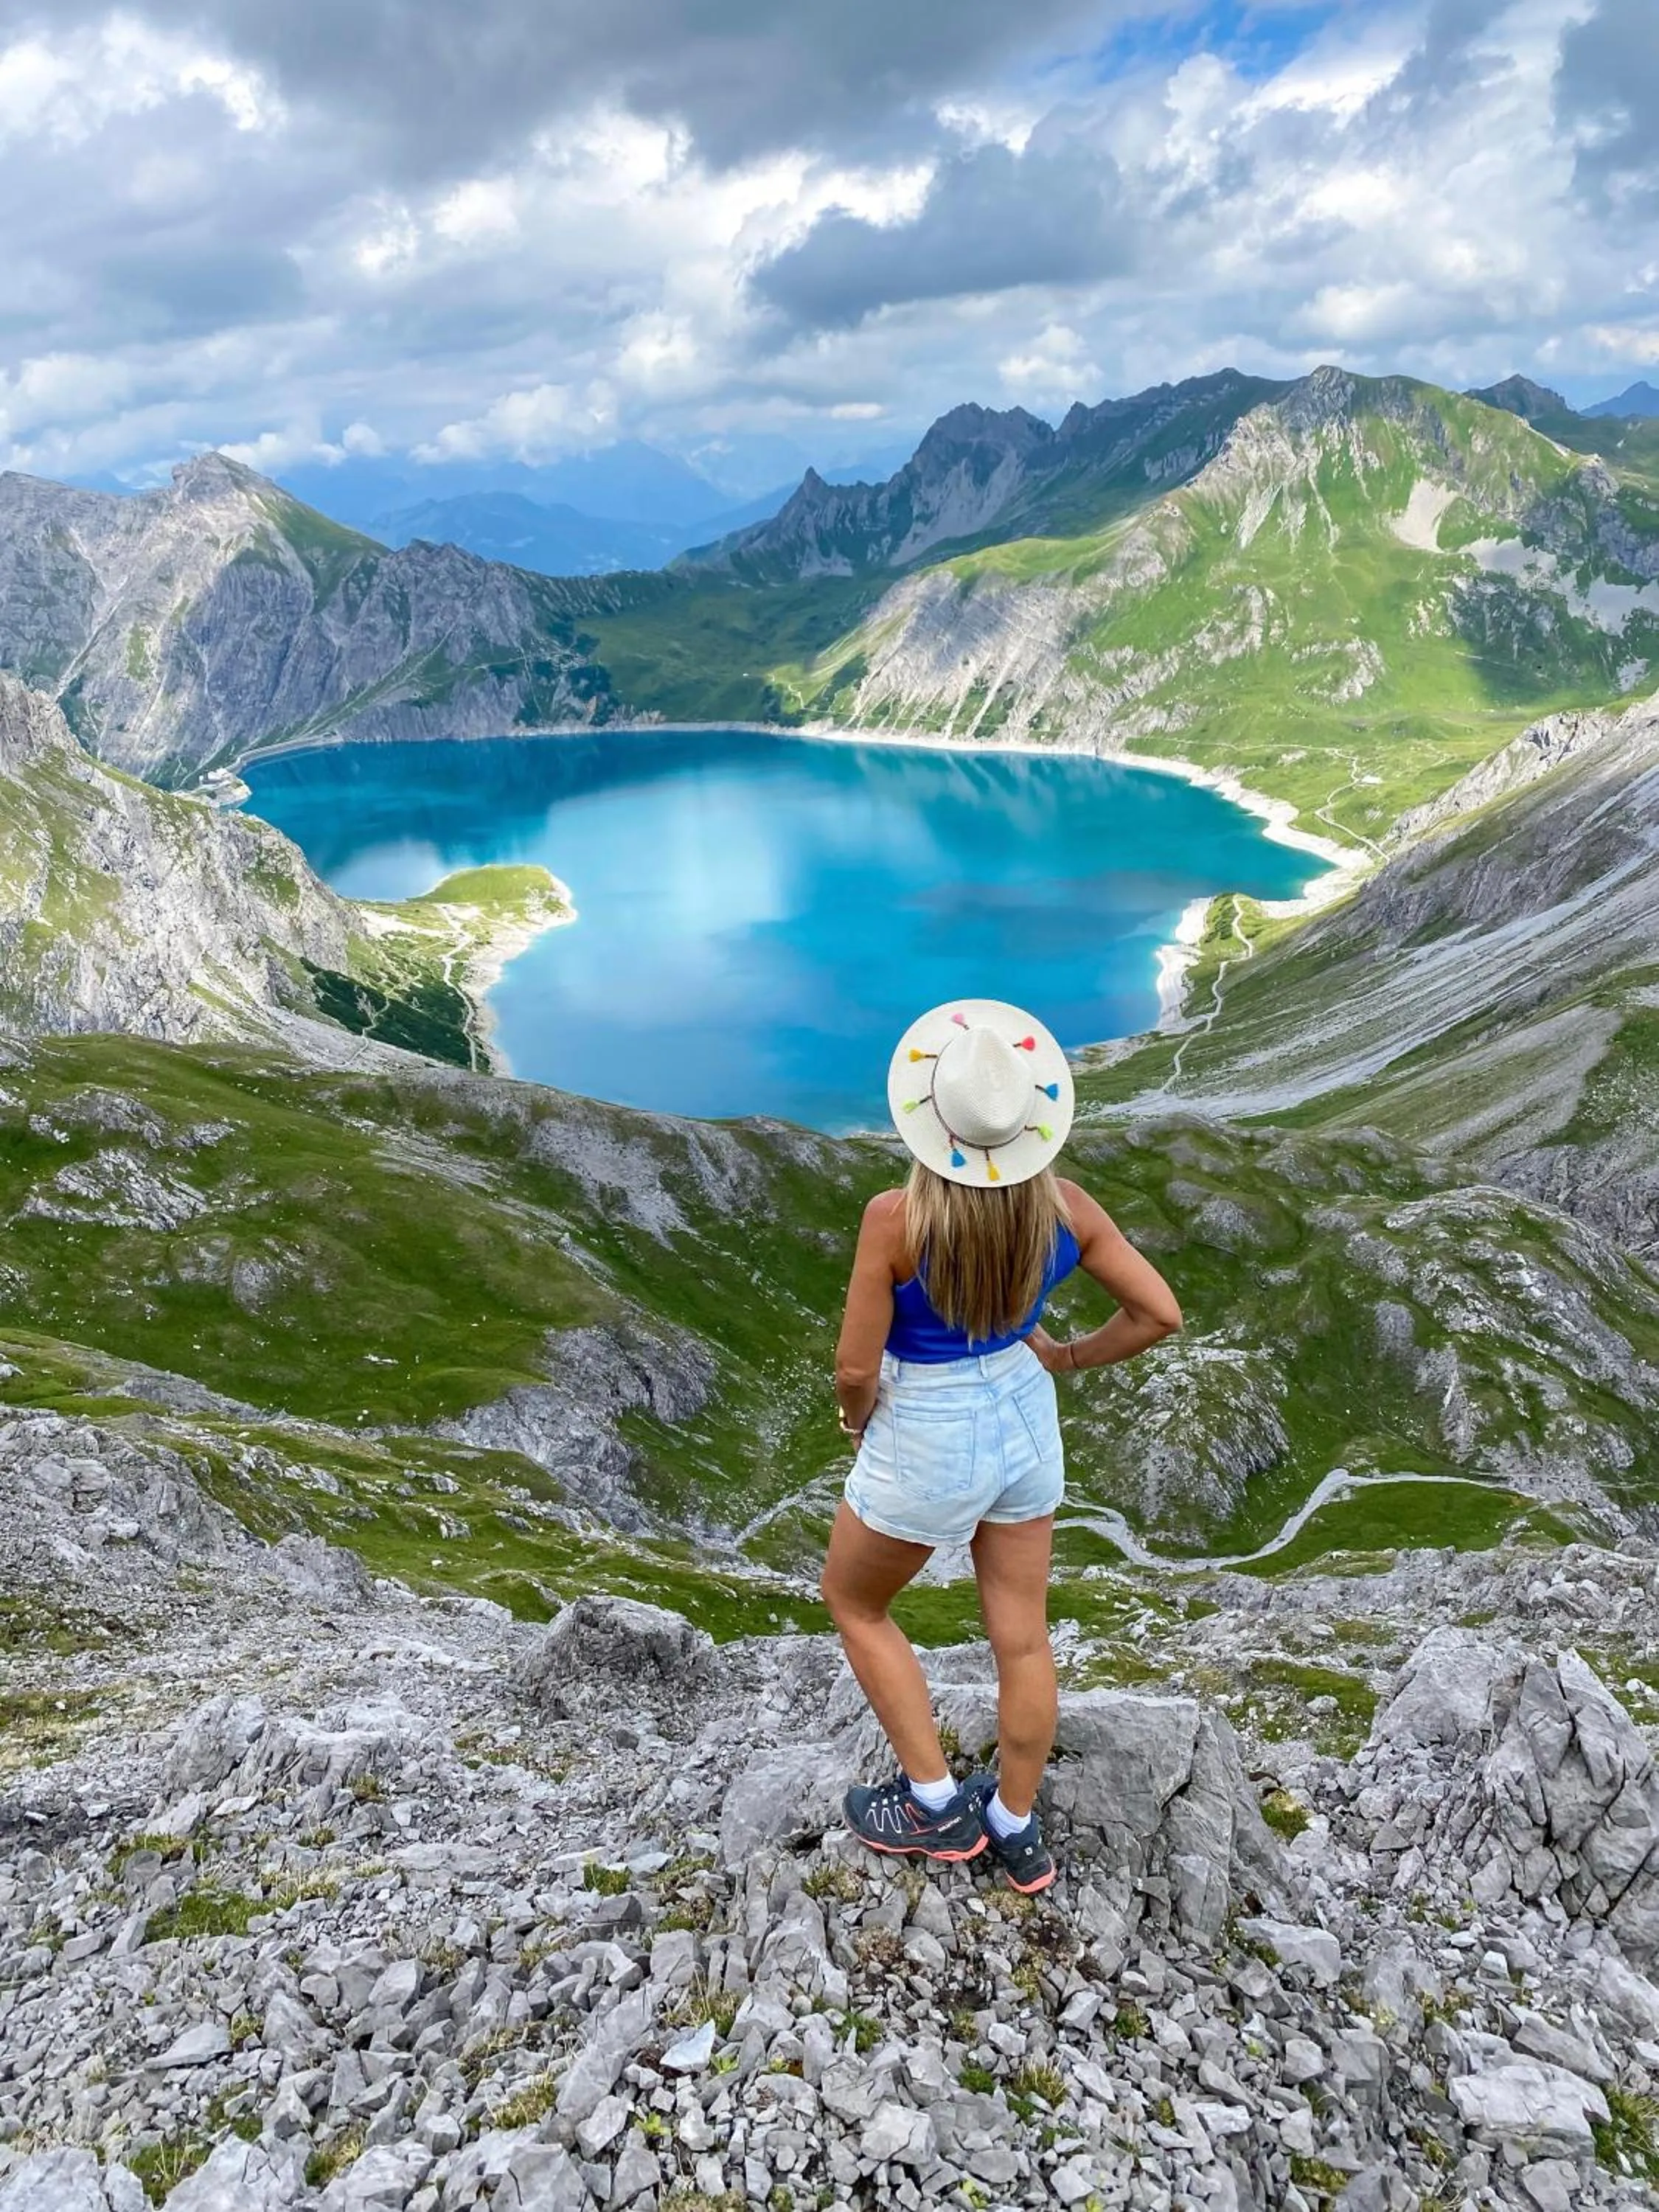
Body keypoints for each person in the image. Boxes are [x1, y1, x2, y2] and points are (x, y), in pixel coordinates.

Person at [822, 998, 1182, 1892]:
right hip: (1025, 1415)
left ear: (930, 1124)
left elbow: (854, 1368)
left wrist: (858, 1423)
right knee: (1021, 1639)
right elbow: (1159, 1314)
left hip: (928, 1427)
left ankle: (935, 1806)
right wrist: (1063, 1356)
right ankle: (1015, 1828)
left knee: (856, 1603)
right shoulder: (1065, 1208)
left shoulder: (892, 1221)